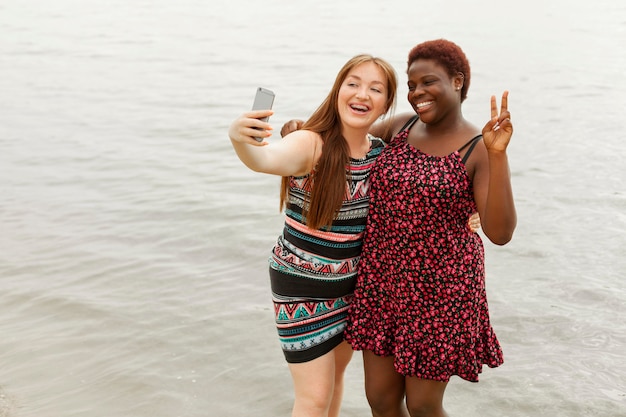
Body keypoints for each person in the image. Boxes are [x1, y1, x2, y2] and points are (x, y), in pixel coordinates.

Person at [342, 39, 517, 417]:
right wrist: (303, 129)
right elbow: (349, 134)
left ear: (457, 81)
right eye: (411, 85)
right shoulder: (401, 127)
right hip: (384, 282)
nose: (417, 93)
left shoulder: (478, 147)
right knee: (382, 400)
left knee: (422, 406)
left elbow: (500, 232)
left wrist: (498, 155)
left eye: (428, 82)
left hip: (441, 294)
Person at [228, 54, 398, 417]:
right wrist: (241, 140)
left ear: (386, 104)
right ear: (338, 91)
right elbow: (266, 159)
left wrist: (466, 216)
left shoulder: (381, 155)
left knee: (336, 381)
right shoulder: (312, 143)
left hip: (351, 289)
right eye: (353, 83)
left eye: (375, 88)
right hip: (300, 286)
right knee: (314, 397)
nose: (362, 94)